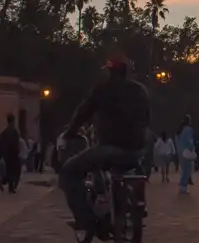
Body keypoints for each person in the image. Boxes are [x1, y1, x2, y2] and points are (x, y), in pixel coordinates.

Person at [58, 56, 150, 230]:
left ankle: (85, 219)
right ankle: (130, 203)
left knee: (68, 172)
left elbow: (82, 113)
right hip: (137, 150)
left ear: (110, 72)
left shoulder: (103, 90)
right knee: (129, 169)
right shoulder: (141, 91)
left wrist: (70, 133)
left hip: (109, 149)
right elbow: (147, 118)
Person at [0, 114, 22, 193]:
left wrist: (0, 154)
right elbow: (16, 144)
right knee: (14, 171)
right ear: (13, 121)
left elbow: (0, 143)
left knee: (8, 170)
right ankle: (9, 186)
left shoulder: (4, 132)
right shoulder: (14, 132)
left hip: (5, 155)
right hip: (13, 154)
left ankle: (4, 182)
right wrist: (17, 152)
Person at [177, 116, 195, 193]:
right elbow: (189, 141)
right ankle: (183, 185)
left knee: (185, 169)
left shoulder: (180, 130)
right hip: (186, 151)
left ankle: (183, 185)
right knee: (187, 169)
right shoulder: (188, 130)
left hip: (181, 151)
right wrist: (192, 148)